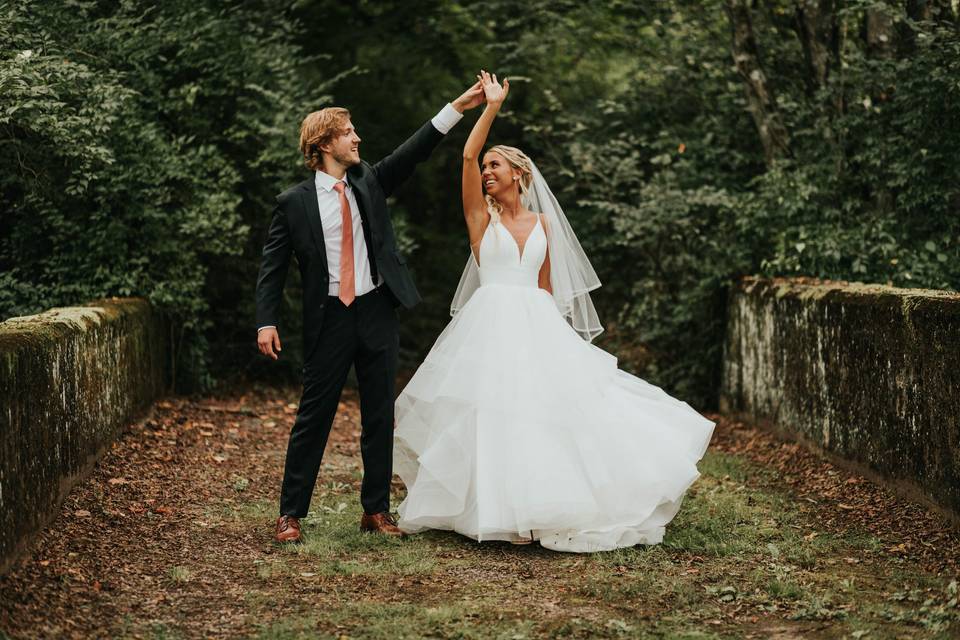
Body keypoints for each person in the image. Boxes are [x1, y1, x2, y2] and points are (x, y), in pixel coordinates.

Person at [392, 71, 716, 553]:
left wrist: (557, 345)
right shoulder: (481, 220)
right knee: (492, 415)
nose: (487, 172)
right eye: (487, 167)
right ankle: (497, 510)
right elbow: (465, 154)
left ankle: (536, 507)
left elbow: (546, 289)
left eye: (496, 166)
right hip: (488, 327)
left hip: (536, 326)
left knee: (538, 416)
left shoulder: (544, 222)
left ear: (519, 175)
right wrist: (490, 108)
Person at [255, 81, 485, 544]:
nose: (357, 138)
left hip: (377, 309)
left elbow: (416, 149)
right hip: (330, 319)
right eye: (348, 132)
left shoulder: (369, 180)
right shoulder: (294, 203)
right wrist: (266, 320)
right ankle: (290, 514)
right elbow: (273, 266)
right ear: (324, 144)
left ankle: (375, 510)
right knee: (313, 417)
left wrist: (459, 106)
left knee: (380, 413)